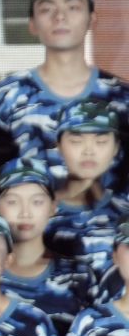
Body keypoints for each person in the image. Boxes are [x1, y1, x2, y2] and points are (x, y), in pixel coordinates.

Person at [0, 0, 125, 188]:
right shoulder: (7, 96)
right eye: (46, 9)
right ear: (32, 24)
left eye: (73, 7)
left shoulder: (121, 97)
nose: (60, 16)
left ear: (91, 19)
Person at [0, 160, 92, 336]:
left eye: (37, 202)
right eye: (13, 202)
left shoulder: (78, 276)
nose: (25, 213)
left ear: (53, 207)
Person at [45, 101, 126, 285]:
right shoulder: (37, 214)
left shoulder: (125, 210)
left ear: (116, 148)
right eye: (76, 141)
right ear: (59, 146)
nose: (89, 151)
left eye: (101, 141)